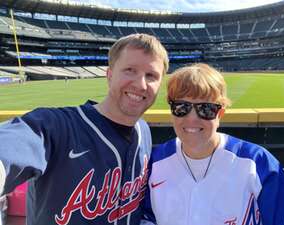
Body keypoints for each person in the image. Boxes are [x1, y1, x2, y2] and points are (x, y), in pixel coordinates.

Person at [0, 33, 169, 225]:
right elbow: (13, 144)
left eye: (151, 75)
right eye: (130, 70)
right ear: (110, 75)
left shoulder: (144, 131)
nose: (140, 84)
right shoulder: (55, 126)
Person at [142, 63, 284, 225]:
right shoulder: (153, 162)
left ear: (221, 113)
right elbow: (145, 217)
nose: (192, 118)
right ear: (172, 111)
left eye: (206, 109)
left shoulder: (257, 162)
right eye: (182, 107)